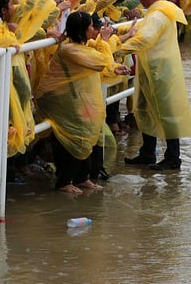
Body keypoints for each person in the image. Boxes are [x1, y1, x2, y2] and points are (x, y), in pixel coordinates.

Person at [34, 10, 130, 193]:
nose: (93, 30)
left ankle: (81, 178)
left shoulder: (82, 46)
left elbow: (100, 63)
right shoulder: (69, 49)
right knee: (73, 134)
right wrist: (106, 40)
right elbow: (100, 61)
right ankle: (64, 182)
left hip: (72, 98)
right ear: (82, 30)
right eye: (91, 27)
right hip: (57, 101)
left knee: (87, 130)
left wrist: (115, 68)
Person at [121, 0, 191, 171]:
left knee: (165, 112)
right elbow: (144, 26)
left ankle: (172, 157)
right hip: (152, 67)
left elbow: (144, 38)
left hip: (158, 69)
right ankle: (148, 153)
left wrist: (118, 48)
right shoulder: (159, 10)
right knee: (146, 110)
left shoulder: (157, 15)